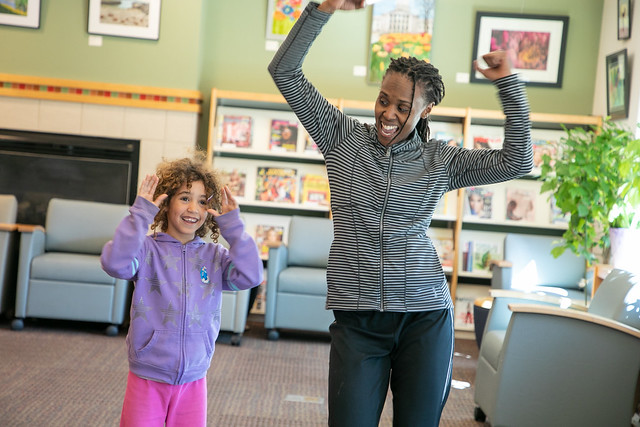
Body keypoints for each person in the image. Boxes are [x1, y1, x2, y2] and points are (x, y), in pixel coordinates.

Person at [269, 1, 532, 425]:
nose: (388, 114)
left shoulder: (440, 160)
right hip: (357, 321)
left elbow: (517, 162)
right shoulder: (340, 137)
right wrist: (323, 8)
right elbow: (284, 72)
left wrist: (508, 85)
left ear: (425, 110)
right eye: (383, 100)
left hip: (425, 319)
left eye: (403, 107)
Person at [100, 157, 263, 426]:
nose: (193, 208)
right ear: (166, 203)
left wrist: (233, 228)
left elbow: (251, 275)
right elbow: (114, 263)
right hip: (148, 374)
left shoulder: (215, 256)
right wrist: (140, 215)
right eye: (185, 198)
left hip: (194, 378)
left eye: (202, 201)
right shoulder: (146, 249)